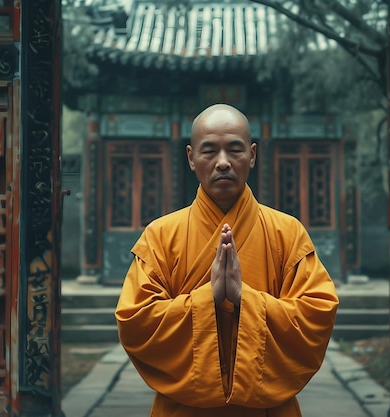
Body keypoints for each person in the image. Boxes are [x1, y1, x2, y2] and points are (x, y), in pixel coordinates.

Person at [115, 103, 339, 417]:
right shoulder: (160, 236)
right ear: (192, 158)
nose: (223, 163)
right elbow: (135, 322)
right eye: (209, 151)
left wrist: (244, 298)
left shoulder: (287, 232)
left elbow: (317, 314)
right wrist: (209, 298)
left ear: (253, 155)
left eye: (234, 150)